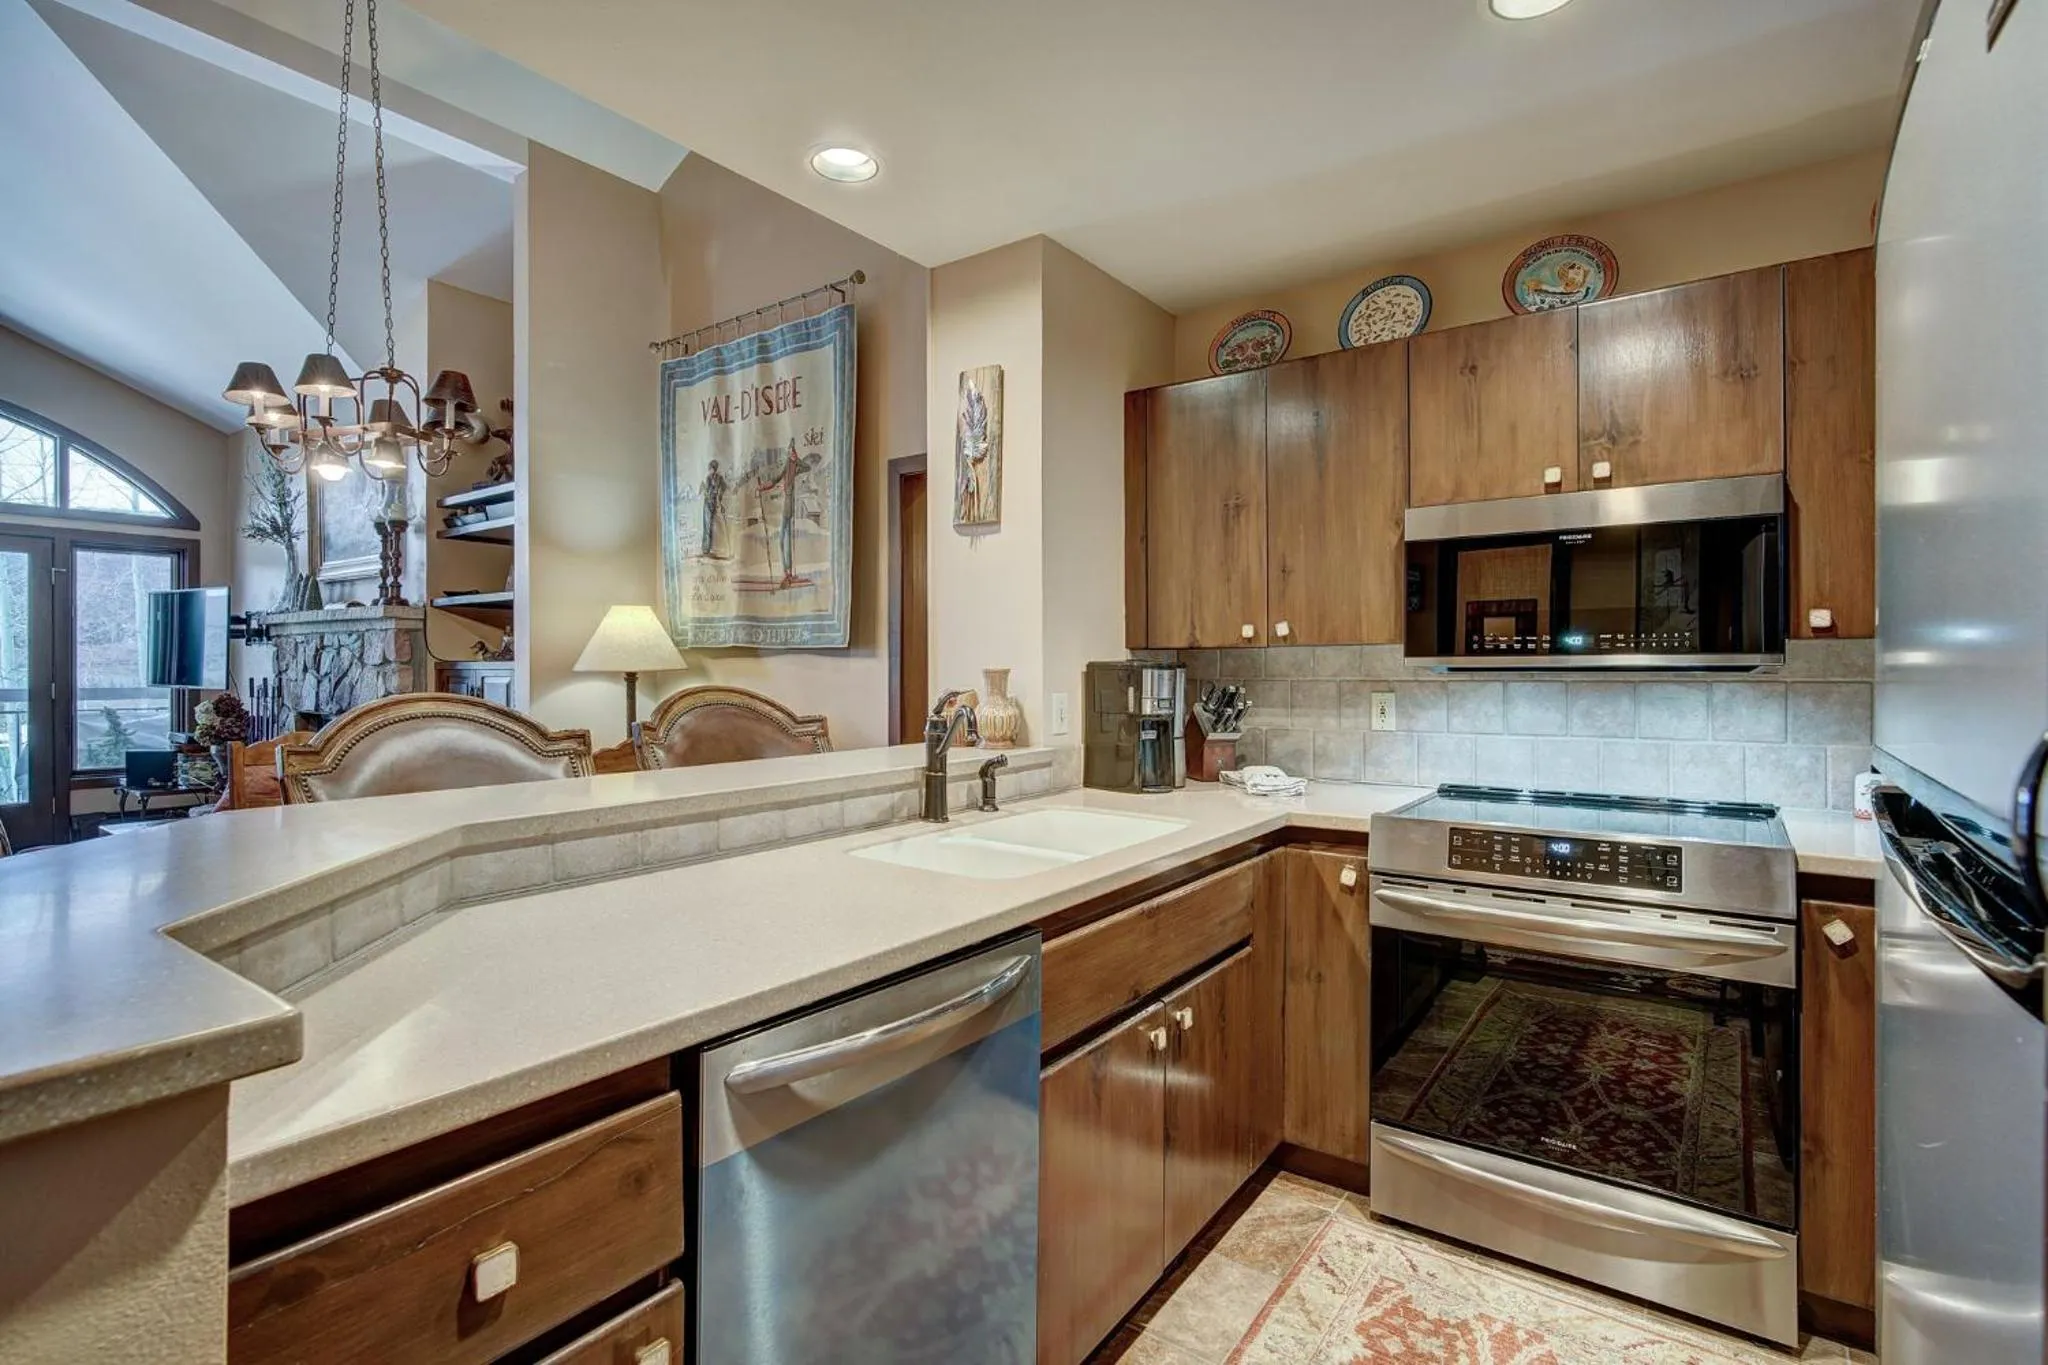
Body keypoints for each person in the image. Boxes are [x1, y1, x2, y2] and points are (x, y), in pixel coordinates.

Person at [700, 459, 726, 557]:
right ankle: (706, 549)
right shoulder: (708, 478)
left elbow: (724, 487)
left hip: (715, 503)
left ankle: (712, 548)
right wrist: (708, 493)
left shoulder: (720, 478)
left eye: (712, 468)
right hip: (708, 503)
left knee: (713, 526)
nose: (711, 470)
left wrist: (720, 495)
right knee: (707, 526)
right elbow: (707, 491)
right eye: (710, 468)